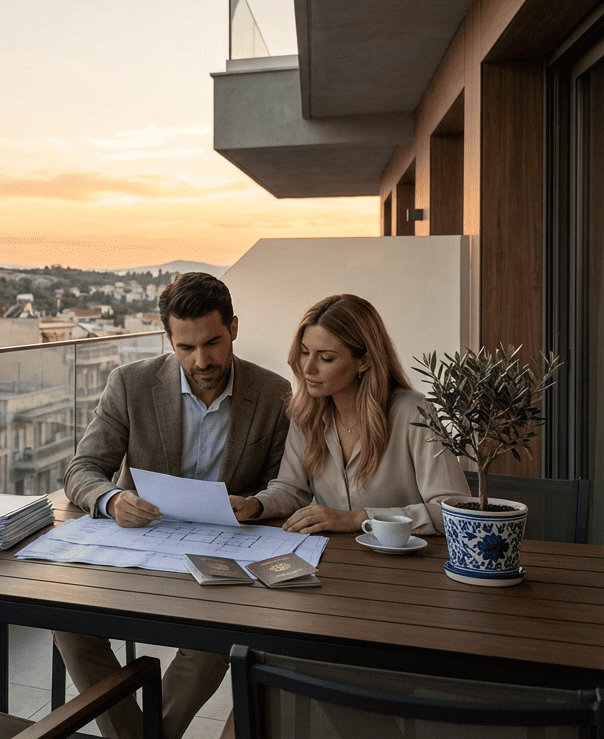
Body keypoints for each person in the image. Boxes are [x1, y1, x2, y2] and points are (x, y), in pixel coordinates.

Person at [56, 272, 290, 739]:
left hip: (223, 551)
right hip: (141, 546)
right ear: (169, 338)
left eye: (212, 343)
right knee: (68, 621)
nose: (201, 361)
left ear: (235, 329)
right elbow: (81, 469)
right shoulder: (130, 383)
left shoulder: (274, 393)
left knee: (213, 639)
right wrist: (111, 498)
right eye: (185, 347)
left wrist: (258, 504)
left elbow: (287, 485)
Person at [230, 293, 470, 534]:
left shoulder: (414, 413)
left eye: (325, 358)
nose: (308, 368)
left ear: (364, 360)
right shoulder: (305, 413)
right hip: (335, 560)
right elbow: (291, 489)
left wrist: (358, 520)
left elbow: (453, 510)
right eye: (304, 352)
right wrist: (254, 505)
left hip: (405, 564)